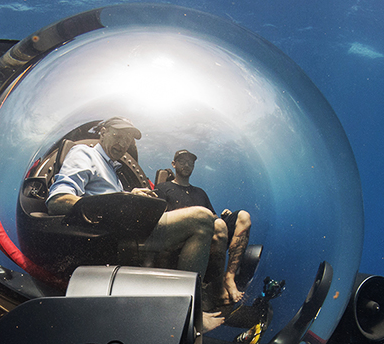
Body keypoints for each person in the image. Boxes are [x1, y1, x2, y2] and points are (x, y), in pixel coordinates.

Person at [46, 118, 214, 280]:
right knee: (202, 218)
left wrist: (130, 196)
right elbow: (58, 200)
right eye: (118, 136)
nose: (123, 143)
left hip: (128, 229)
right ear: (103, 133)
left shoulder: (112, 168)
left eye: (127, 139)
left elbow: (106, 196)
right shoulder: (84, 153)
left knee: (211, 224)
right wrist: (117, 204)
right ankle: (192, 298)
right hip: (114, 235)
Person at [155, 149, 252, 305]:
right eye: (182, 161)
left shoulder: (200, 193)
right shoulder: (163, 188)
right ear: (173, 164)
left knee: (243, 217)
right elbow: (160, 221)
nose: (186, 165)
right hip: (181, 243)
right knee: (218, 224)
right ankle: (217, 290)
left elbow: (213, 218)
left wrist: (223, 217)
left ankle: (229, 278)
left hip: (209, 238)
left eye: (190, 162)